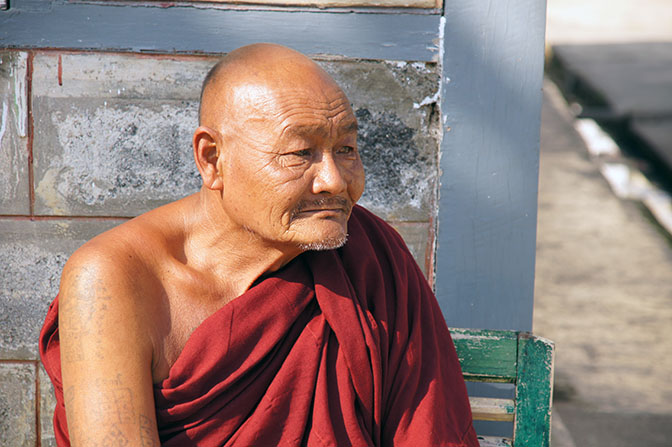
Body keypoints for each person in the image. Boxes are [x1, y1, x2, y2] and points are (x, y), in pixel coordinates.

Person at [40, 43, 478, 447]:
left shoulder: (373, 260)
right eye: (299, 154)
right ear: (212, 159)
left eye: (346, 147)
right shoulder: (114, 278)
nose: (336, 182)